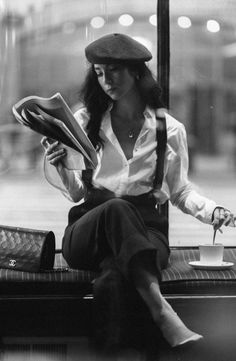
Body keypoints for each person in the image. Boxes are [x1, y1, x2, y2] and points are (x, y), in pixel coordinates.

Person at [41, 33, 235, 350]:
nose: (106, 80)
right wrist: (61, 165)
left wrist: (212, 211)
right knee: (116, 209)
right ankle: (162, 312)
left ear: (135, 72)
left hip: (147, 234)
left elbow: (180, 190)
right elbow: (77, 194)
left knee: (113, 277)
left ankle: (111, 354)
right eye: (99, 72)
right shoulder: (84, 121)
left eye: (113, 70)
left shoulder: (168, 130)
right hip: (88, 234)